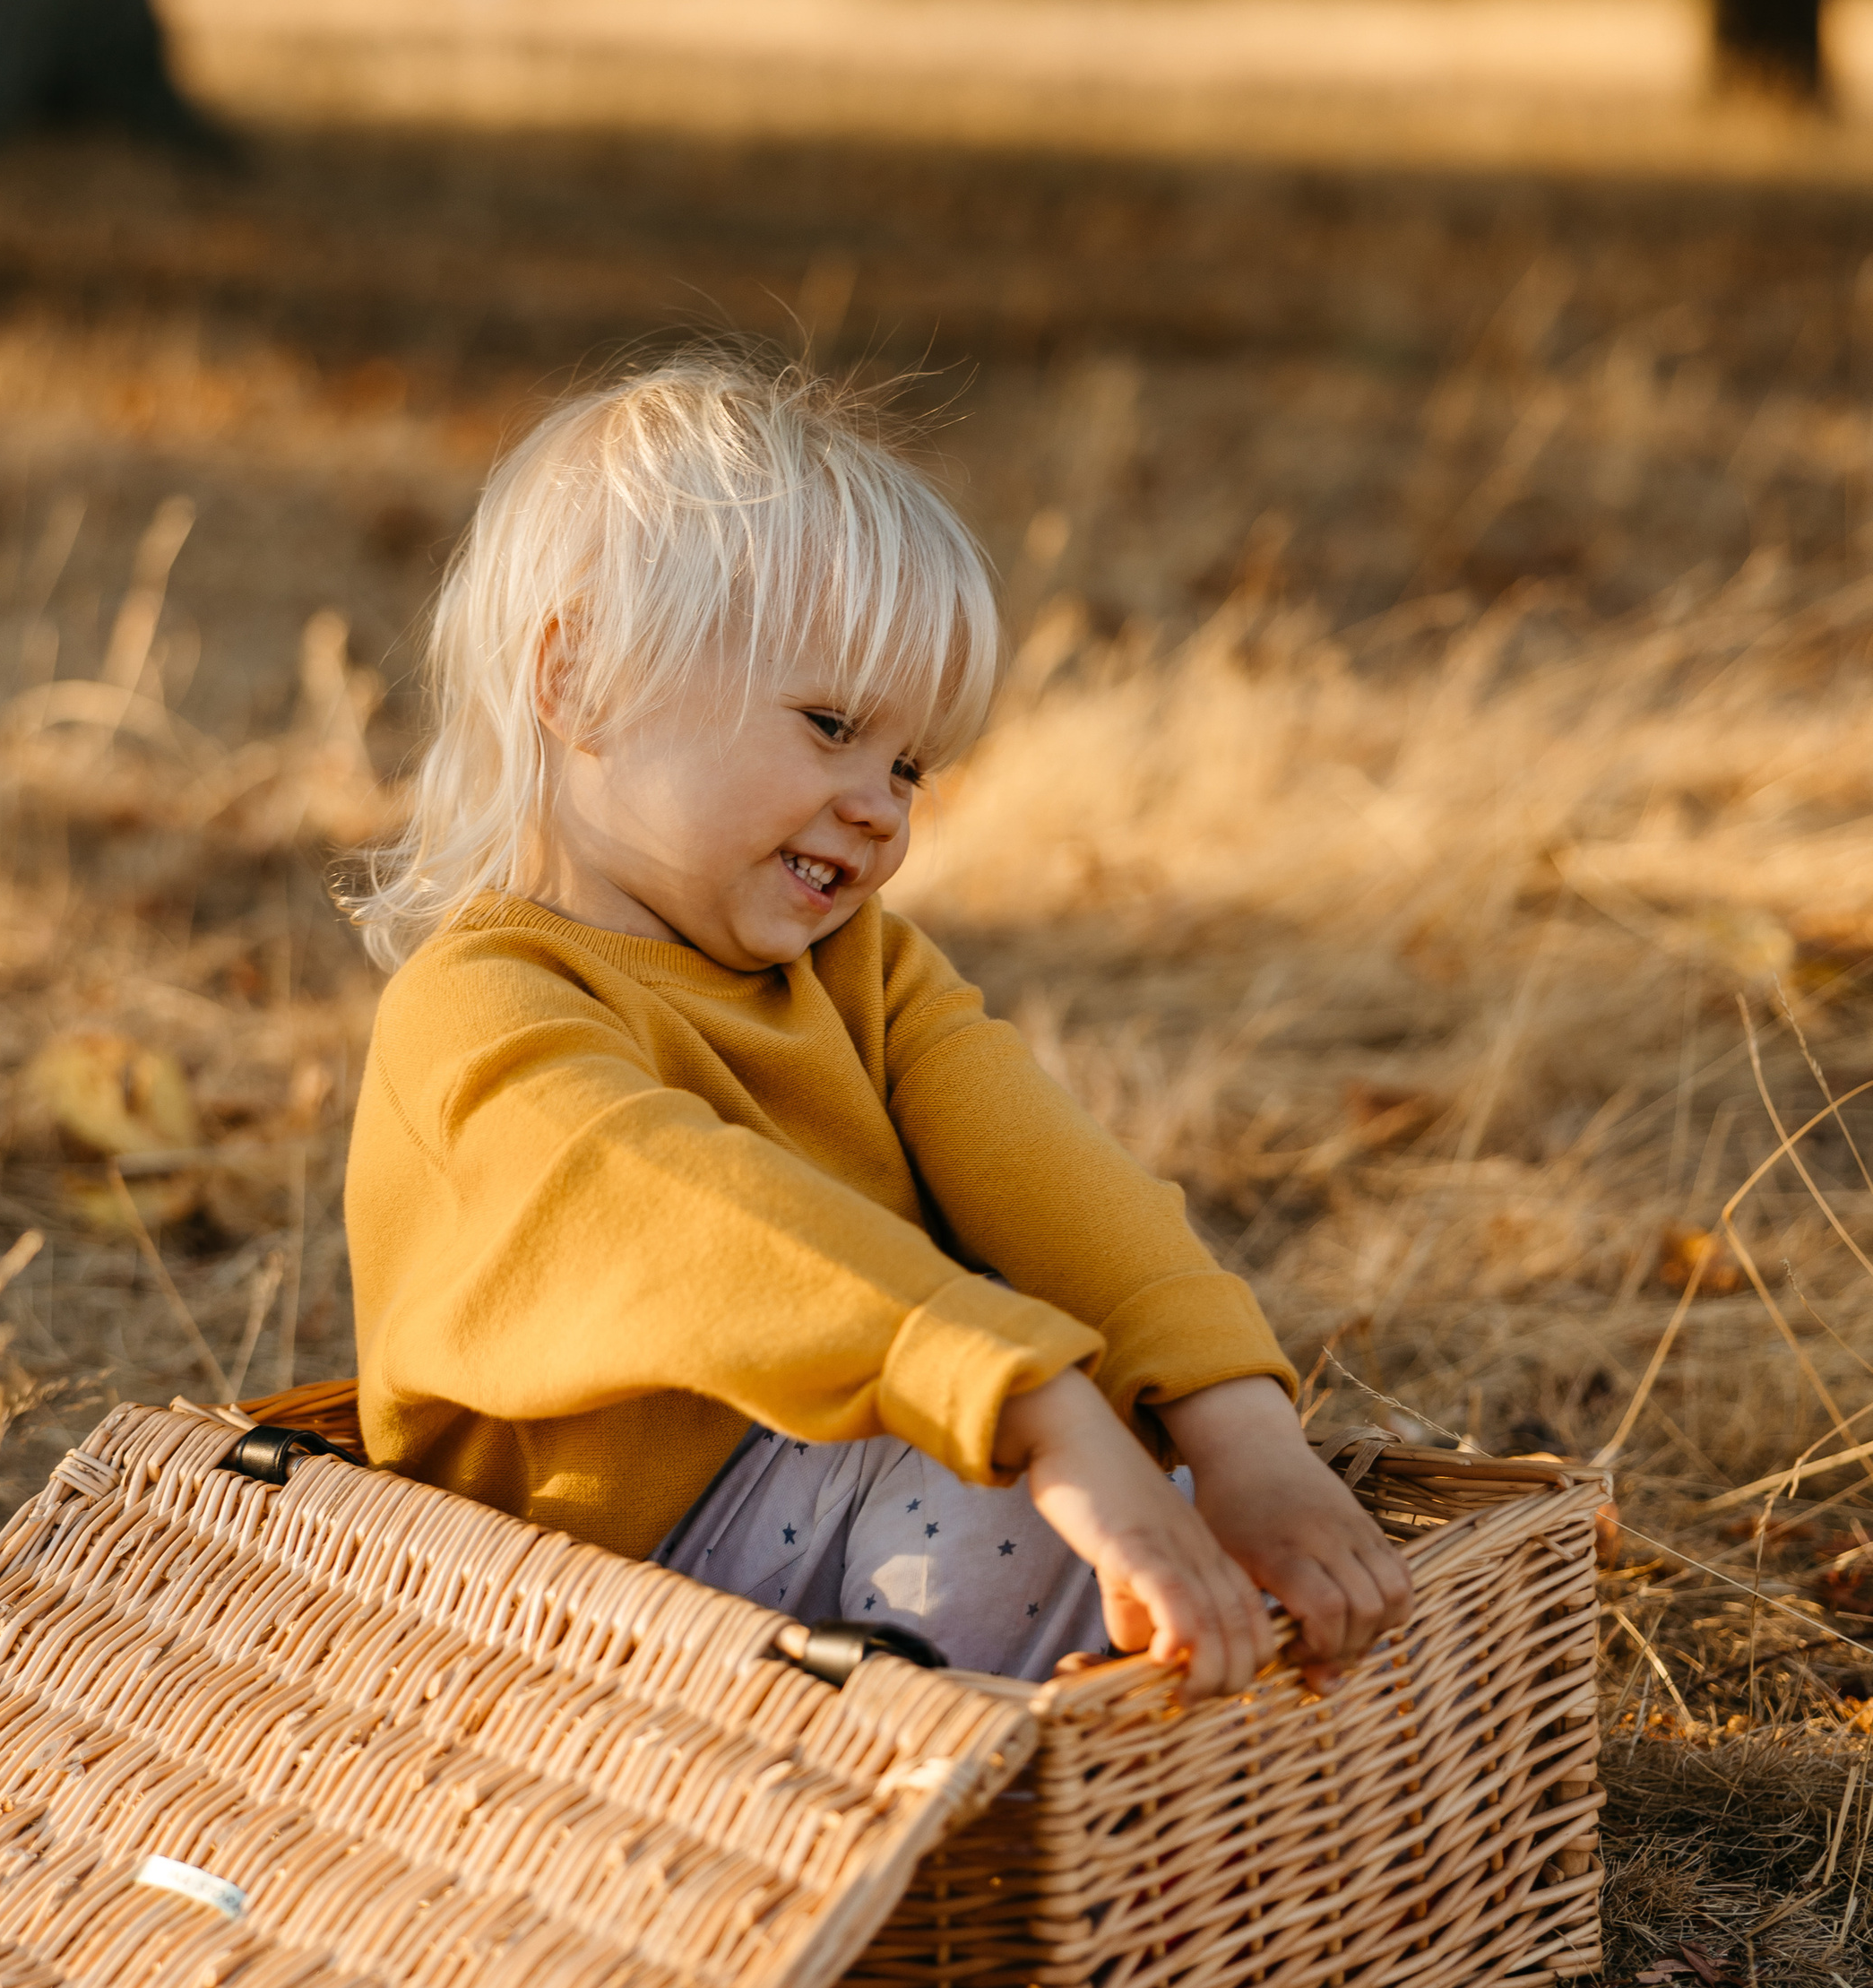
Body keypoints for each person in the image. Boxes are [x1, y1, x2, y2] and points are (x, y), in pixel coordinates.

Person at [342, 354, 1411, 1694]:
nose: (880, 805)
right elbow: (680, 1210)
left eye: (908, 765)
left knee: (1150, 1456)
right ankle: (960, 1801)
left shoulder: (861, 970)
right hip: (594, 1596)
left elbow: (1054, 1178)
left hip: (844, 1490)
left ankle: (1135, 1760)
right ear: (583, 678)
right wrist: (1032, 1408)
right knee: (1014, 1480)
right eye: (831, 725)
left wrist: (1241, 1427)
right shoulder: (482, 1006)